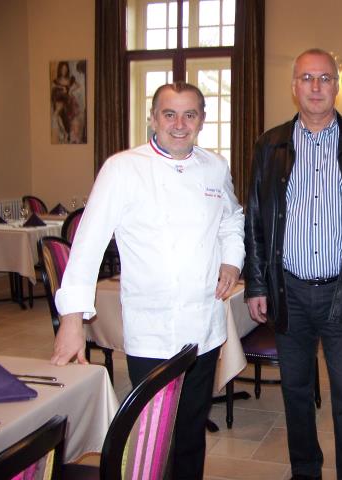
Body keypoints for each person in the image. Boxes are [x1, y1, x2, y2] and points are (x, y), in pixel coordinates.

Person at [51, 82, 245, 480]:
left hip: (203, 328)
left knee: (192, 430)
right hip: (151, 331)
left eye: (190, 114)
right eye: (169, 114)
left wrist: (232, 260)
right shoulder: (123, 168)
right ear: (153, 118)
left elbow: (232, 218)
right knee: (152, 434)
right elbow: (86, 243)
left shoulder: (214, 166)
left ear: (202, 120)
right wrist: (72, 321)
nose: (179, 124)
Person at [244, 48, 342, 480]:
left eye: (324, 78)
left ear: (336, 86)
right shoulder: (269, 144)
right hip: (288, 292)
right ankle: (305, 470)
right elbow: (255, 218)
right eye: (306, 78)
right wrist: (257, 285)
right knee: (295, 391)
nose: (315, 86)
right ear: (293, 87)